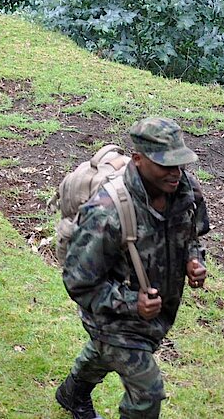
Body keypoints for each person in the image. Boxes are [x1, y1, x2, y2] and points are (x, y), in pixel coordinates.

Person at [57, 117, 210, 419]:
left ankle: (72, 394)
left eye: (180, 163)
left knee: (104, 352)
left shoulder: (185, 191)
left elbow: (191, 235)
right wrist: (131, 303)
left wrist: (194, 260)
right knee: (147, 394)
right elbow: (77, 281)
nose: (176, 172)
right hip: (110, 317)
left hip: (156, 314)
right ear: (138, 159)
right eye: (165, 164)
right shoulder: (106, 212)